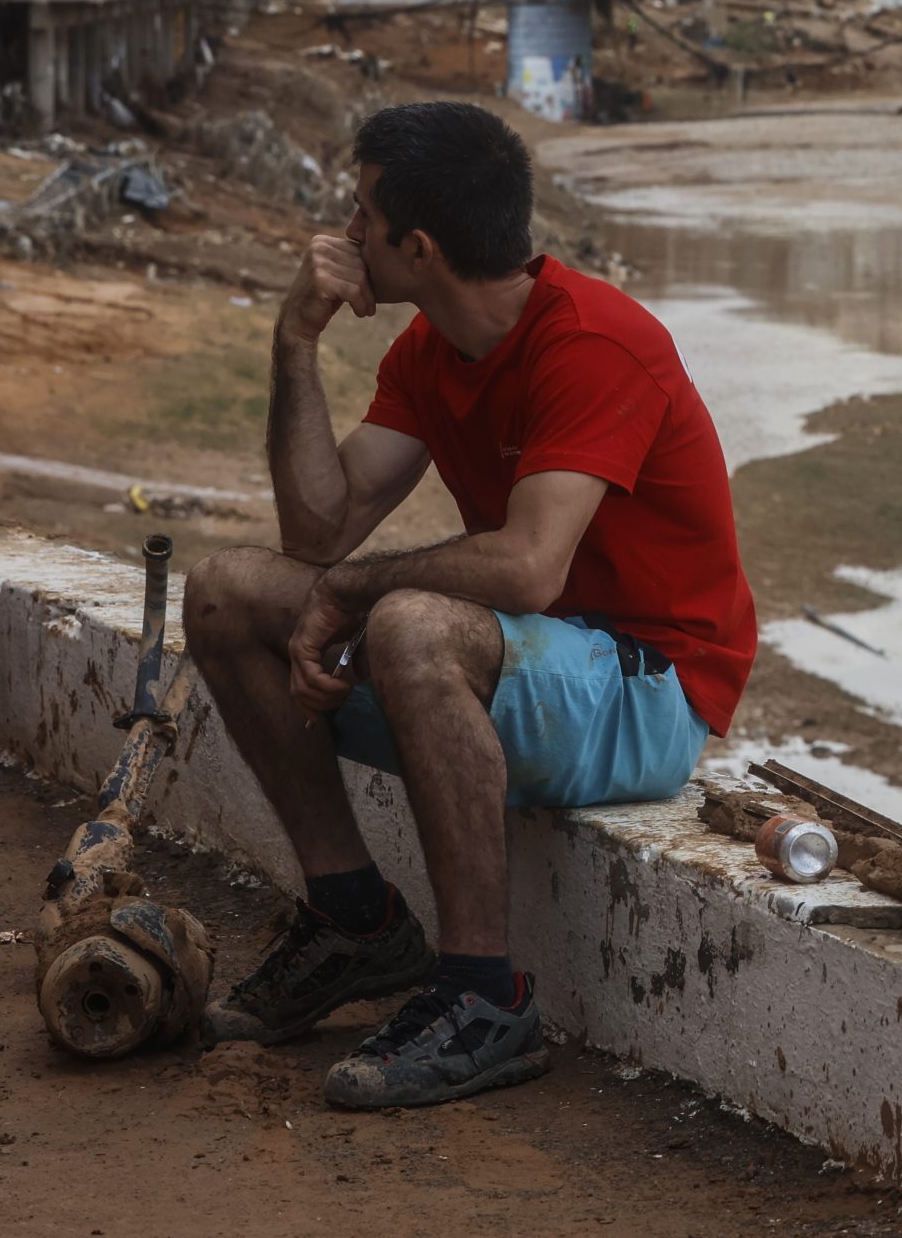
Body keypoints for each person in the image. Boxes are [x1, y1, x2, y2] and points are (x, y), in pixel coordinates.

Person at [181, 103, 756, 1111]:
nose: (346, 232)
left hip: (649, 690)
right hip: (530, 667)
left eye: (363, 215)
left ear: (419, 248)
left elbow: (529, 567)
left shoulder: (595, 341)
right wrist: (294, 341)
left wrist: (352, 592)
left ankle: (486, 996)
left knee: (409, 622)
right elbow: (318, 529)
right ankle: (355, 919)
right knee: (227, 593)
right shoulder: (429, 348)